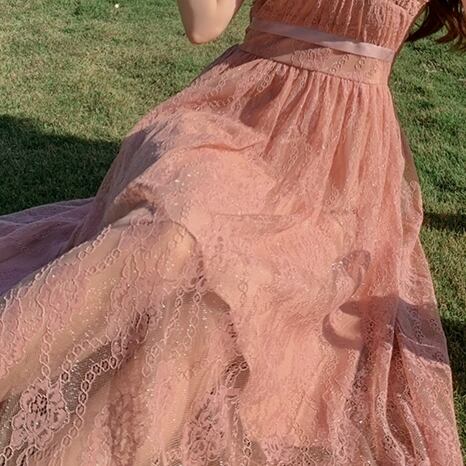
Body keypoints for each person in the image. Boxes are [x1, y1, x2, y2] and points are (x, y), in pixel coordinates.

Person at [0, 0, 464, 464]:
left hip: (335, 170)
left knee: (215, 312)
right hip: (236, 117)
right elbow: (205, 25)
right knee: (173, 236)